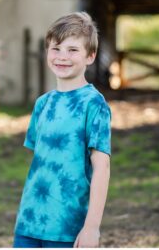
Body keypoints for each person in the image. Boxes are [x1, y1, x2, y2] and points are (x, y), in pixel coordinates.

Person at [13, 12, 111, 249]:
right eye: (56, 48)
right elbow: (43, 163)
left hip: (68, 226)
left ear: (90, 56)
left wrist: (91, 228)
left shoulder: (93, 104)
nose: (62, 57)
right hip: (29, 220)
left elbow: (102, 168)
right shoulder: (42, 104)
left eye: (73, 50)